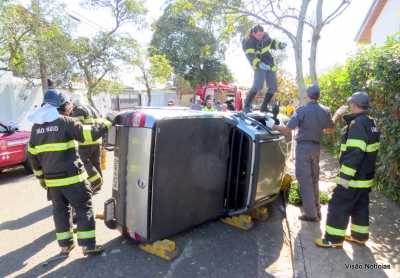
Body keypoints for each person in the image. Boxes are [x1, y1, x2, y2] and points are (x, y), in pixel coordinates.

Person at [27, 89, 112, 255]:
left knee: (60, 211)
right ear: (60, 105)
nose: (69, 108)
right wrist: (108, 121)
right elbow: (90, 134)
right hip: (72, 178)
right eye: (67, 105)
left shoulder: (36, 128)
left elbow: (32, 156)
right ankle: (88, 245)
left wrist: (41, 179)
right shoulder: (66, 122)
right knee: (83, 207)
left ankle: (66, 245)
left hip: (52, 182)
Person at [265, 85, 348, 222]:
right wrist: (337, 114)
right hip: (316, 149)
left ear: (307, 96)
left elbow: (286, 130)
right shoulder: (325, 110)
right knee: (314, 180)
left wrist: (272, 126)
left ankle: (311, 214)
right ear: (319, 96)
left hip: (303, 149)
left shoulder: (301, 111)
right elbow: (328, 130)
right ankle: (317, 210)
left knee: (305, 181)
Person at [315, 92, 380, 248]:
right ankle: (360, 236)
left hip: (354, 177)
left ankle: (333, 239)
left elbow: (355, 152)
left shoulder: (357, 124)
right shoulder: (371, 123)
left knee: (338, 204)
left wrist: (345, 175)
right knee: (360, 205)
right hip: (366, 176)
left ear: (353, 105)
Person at [242, 24, 287, 113]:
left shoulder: (266, 37)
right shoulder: (248, 41)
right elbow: (250, 56)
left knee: (273, 87)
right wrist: (259, 63)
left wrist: (280, 45)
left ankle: (264, 106)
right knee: (258, 86)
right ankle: (246, 106)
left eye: (262, 34)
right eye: (259, 35)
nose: (261, 37)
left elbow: (274, 43)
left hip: (269, 64)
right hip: (259, 65)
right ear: (254, 33)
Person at [70, 93, 104, 192]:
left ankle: (96, 181)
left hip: (85, 141)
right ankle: (99, 184)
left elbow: (78, 126)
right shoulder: (94, 109)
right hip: (97, 140)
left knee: (83, 161)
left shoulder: (79, 110)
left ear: (75, 102)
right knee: (95, 162)